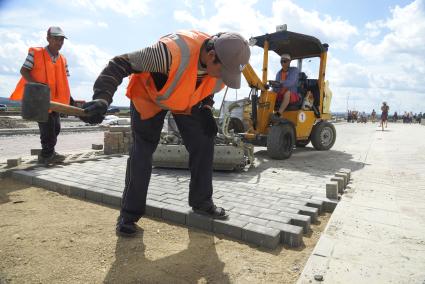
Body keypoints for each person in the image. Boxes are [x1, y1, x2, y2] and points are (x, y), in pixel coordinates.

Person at [80, 31, 251, 237]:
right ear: (211, 54)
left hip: (184, 99)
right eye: (222, 71)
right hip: (150, 96)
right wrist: (103, 98)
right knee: (142, 153)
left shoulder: (223, 66)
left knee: (204, 141)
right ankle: (129, 214)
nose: (224, 77)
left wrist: (206, 107)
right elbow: (119, 63)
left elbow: (209, 87)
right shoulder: (169, 54)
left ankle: (201, 202)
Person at [10, 26, 72, 165]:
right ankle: (46, 155)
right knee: (47, 130)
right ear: (48, 39)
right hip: (40, 99)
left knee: (56, 128)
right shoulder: (35, 53)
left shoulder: (63, 59)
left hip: (56, 102)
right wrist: (38, 88)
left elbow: (64, 79)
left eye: (61, 39)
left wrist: (70, 99)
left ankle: (50, 152)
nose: (59, 42)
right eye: (56, 38)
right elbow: (24, 70)